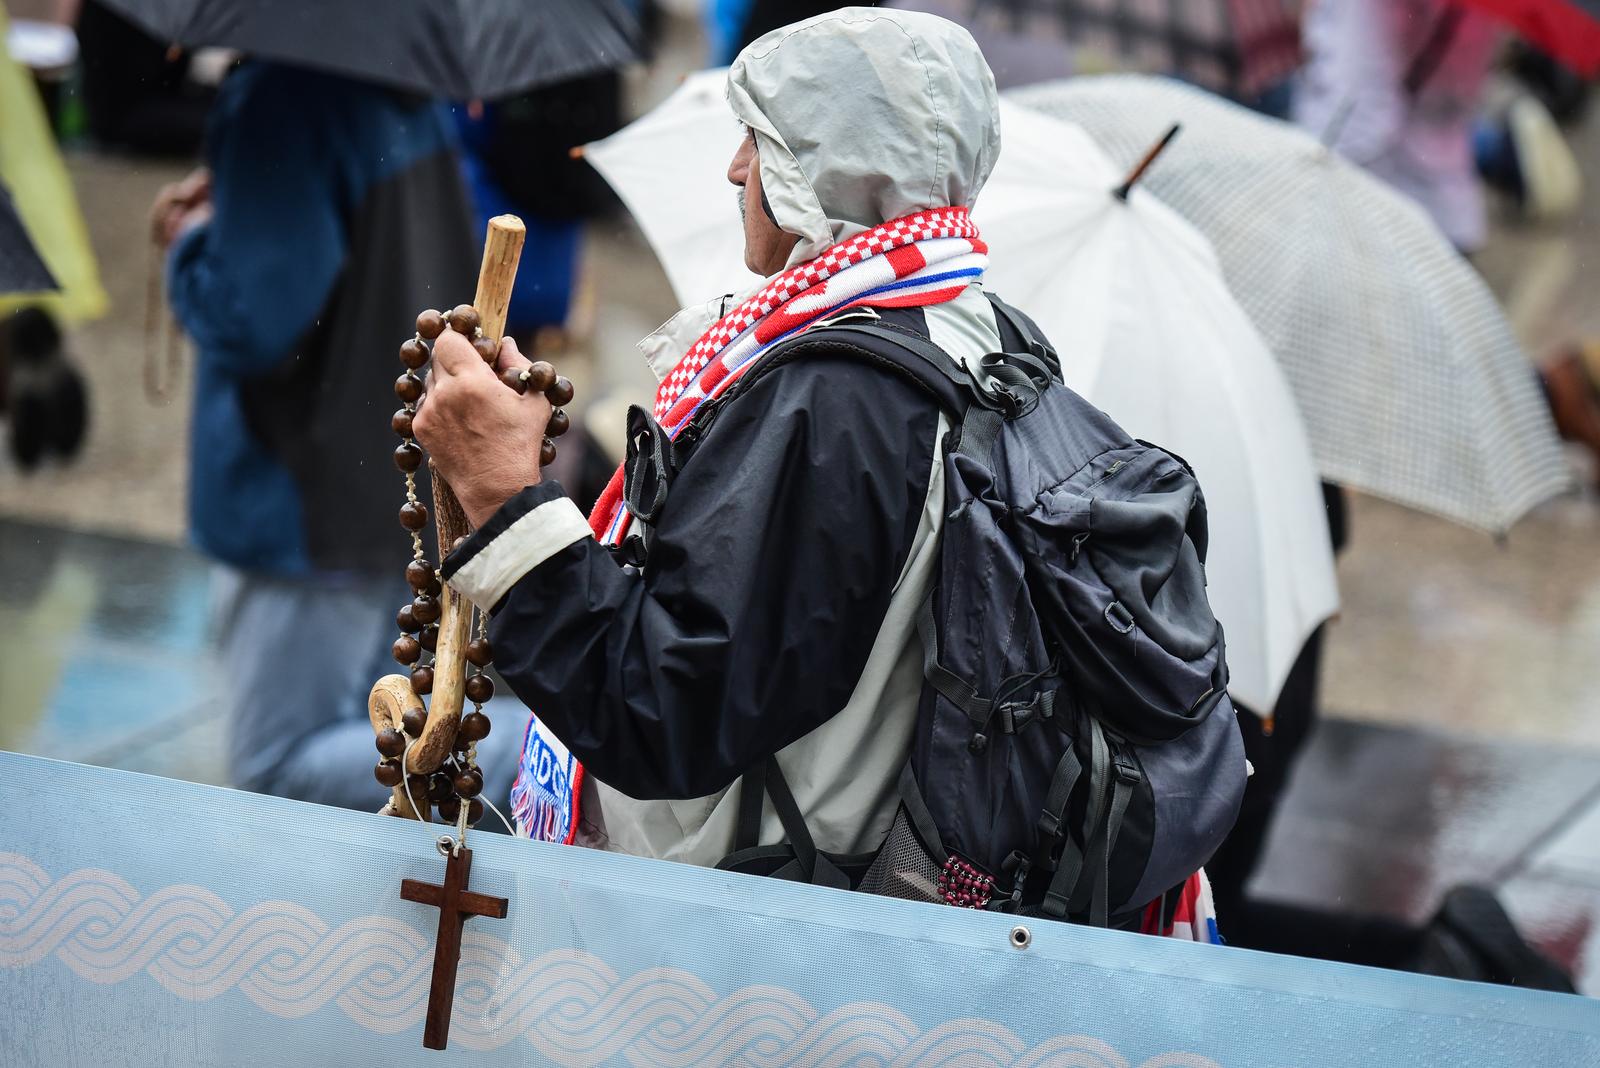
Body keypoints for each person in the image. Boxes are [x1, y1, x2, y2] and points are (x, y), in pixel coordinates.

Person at [416, 7, 1233, 936]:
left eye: (759, 143)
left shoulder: (835, 399)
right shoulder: (986, 333)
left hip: (744, 943)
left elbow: (661, 711)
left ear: (821, 174)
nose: (735, 170)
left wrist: (504, 494)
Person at [151, 61, 523, 813]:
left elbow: (253, 317)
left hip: (302, 493)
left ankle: (556, 756)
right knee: (381, 745)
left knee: (281, 767)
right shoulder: (405, 85)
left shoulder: (283, 92)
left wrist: (193, 241)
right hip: (389, 470)